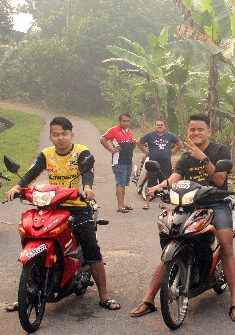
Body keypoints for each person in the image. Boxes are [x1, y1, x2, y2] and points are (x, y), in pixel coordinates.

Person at [129, 114, 235, 322]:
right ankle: (148, 299)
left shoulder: (220, 151)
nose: (196, 133)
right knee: (172, 242)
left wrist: (203, 158)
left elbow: (219, 180)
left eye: (200, 129)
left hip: (217, 203)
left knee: (226, 245)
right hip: (190, 204)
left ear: (209, 131)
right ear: (187, 131)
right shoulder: (185, 156)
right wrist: (158, 187)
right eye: (192, 129)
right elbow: (175, 177)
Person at [5, 117, 120, 311]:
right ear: (50, 136)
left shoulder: (81, 152)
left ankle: (104, 296)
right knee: (33, 234)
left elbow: (87, 172)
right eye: (56, 134)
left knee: (91, 248)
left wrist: (87, 188)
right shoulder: (47, 154)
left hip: (77, 205)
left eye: (64, 134)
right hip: (51, 206)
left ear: (71, 134)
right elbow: (32, 172)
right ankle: (27, 293)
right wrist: (17, 187)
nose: (60, 138)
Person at [135, 120, 182, 210]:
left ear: (165, 126)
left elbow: (179, 144)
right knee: (151, 181)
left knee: (163, 183)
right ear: (155, 126)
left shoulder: (170, 136)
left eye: (161, 125)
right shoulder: (150, 135)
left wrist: (172, 153)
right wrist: (146, 152)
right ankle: (147, 202)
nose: (159, 126)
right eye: (158, 125)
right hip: (153, 163)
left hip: (165, 163)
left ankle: (161, 202)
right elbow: (138, 142)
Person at [100, 113, 136, 213]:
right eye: (124, 121)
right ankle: (120, 206)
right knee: (120, 183)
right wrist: (112, 150)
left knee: (124, 184)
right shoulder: (114, 130)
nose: (126, 123)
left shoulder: (128, 132)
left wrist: (134, 144)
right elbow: (102, 139)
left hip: (128, 161)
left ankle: (123, 204)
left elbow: (131, 147)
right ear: (120, 121)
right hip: (119, 162)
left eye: (128, 121)